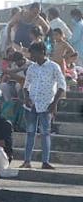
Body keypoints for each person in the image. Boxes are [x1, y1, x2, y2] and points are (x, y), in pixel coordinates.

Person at [19, 41, 66, 170]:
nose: (32, 55)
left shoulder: (53, 67)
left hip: (46, 105)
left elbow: (62, 86)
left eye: (34, 52)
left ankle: (45, 161)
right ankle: (27, 160)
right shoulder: (32, 68)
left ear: (42, 53)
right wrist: (26, 97)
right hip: (31, 105)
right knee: (30, 132)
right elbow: (26, 85)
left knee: (45, 133)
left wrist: (54, 103)